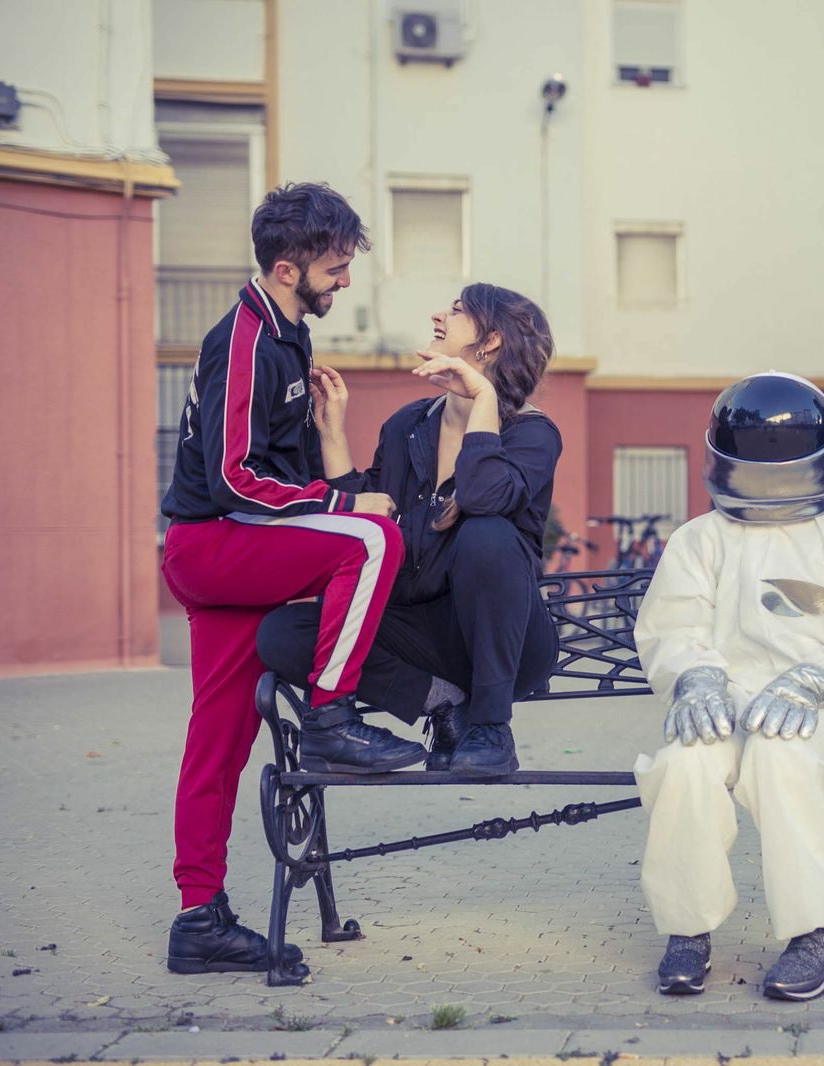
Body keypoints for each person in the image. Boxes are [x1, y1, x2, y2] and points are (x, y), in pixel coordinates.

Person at [160, 182, 427, 976]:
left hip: (236, 547)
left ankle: (198, 919)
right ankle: (330, 721)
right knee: (372, 540)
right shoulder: (243, 339)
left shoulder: (289, 337)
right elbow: (233, 479)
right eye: (335, 268)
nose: (345, 280)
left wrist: (329, 450)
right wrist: (342, 503)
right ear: (287, 270)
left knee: (218, 741)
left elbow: (287, 468)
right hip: (213, 543)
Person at [632, 372, 824, 1002]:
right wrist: (695, 676)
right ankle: (688, 927)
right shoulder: (699, 540)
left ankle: (815, 933)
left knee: (781, 761)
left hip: (818, 707)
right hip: (721, 699)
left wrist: (817, 679)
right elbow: (672, 625)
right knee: (684, 765)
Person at [256, 284, 562, 773]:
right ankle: (443, 702)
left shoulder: (533, 434)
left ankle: (490, 728)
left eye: (457, 311)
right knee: (282, 633)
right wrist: (332, 434)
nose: (438, 315)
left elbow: (484, 497)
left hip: (505, 642)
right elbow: (371, 516)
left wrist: (483, 397)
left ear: (491, 341)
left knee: (486, 534)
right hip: (418, 632)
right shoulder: (408, 425)